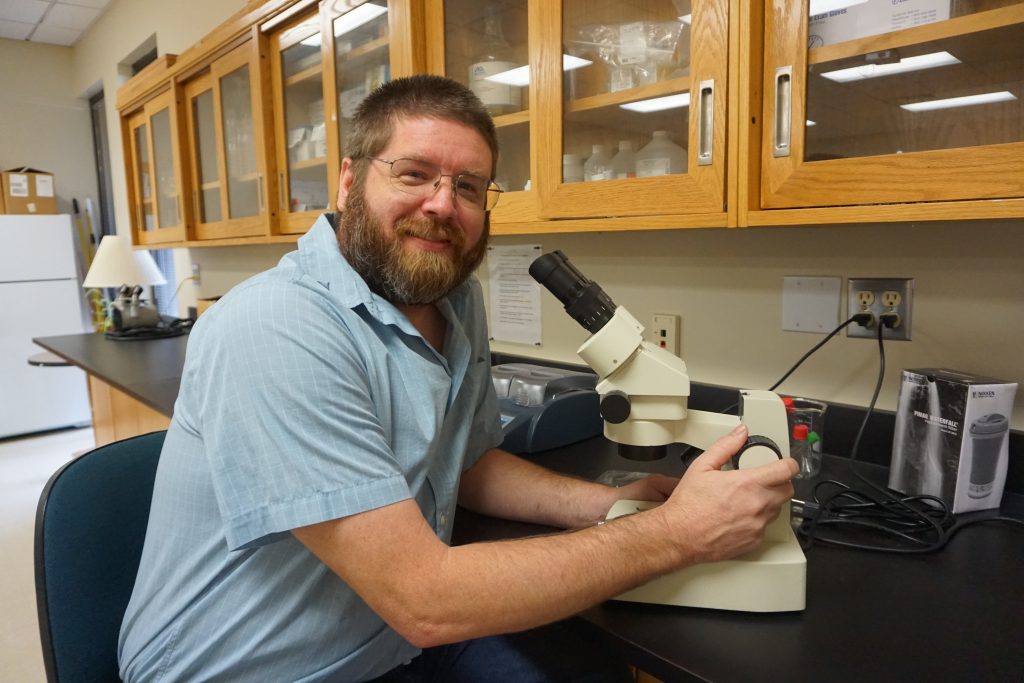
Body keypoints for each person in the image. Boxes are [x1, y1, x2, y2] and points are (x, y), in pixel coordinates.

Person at [118, 74, 796, 682]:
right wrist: (675, 533)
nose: (443, 205)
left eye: (468, 186)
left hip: (388, 639)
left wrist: (605, 503)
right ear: (350, 181)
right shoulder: (276, 326)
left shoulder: (451, 296)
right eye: (414, 174)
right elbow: (426, 598)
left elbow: (467, 464)